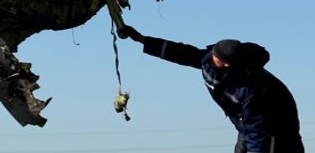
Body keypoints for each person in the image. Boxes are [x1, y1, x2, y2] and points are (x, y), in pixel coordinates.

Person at [120, 26, 303, 153]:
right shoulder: (207, 60)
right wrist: (140, 38)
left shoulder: (251, 88)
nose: (225, 66)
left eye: (230, 64)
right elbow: (180, 52)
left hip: (276, 128)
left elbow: (259, 131)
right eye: (222, 61)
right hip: (245, 126)